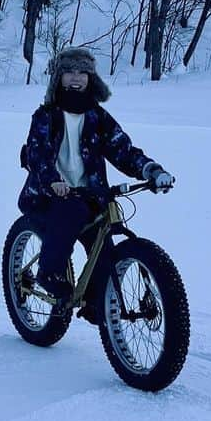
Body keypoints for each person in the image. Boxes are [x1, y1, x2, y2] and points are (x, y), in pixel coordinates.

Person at [18, 47, 175, 314]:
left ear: (92, 79)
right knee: (70, 213)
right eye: (69, 72)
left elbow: (122, 150)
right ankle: (49, 273)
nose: (76, 78)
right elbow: (38, 155)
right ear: (59, 77)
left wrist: (151, 170)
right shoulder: (46, 116)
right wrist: (53, 180)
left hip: (90, 195)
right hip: (48, 196)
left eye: (83, 72)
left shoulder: (98, 118)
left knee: (104, 248)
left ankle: (96, 303)